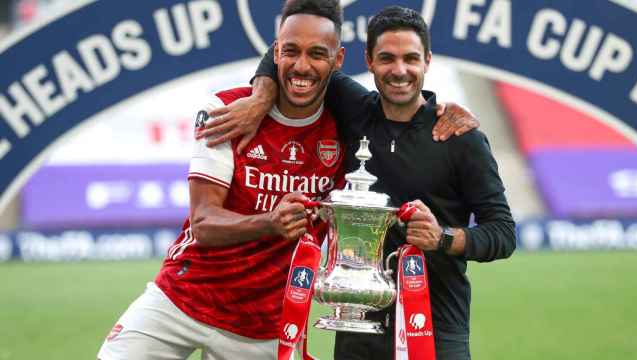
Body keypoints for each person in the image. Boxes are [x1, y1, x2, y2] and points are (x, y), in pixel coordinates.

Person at [201, 6, 516, 360]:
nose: (399, 71)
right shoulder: (352, 108)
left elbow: (503, 233)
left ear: (427, 60)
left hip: (435, 333)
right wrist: (261, 97)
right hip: (354, 328)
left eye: (411, 59)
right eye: (387, 58)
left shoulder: (460, 138)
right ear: (367, 60)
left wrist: (443, 238)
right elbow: (286, 53)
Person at [97, 1, 348, 359]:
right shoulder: (226, 110)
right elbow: (203, 222)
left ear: (338, 60)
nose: (301, 66)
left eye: (317, 54)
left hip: (265, 325)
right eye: (290, 51)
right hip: (184, 296)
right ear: (275, 51)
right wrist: (270, 222)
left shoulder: (349, 128)